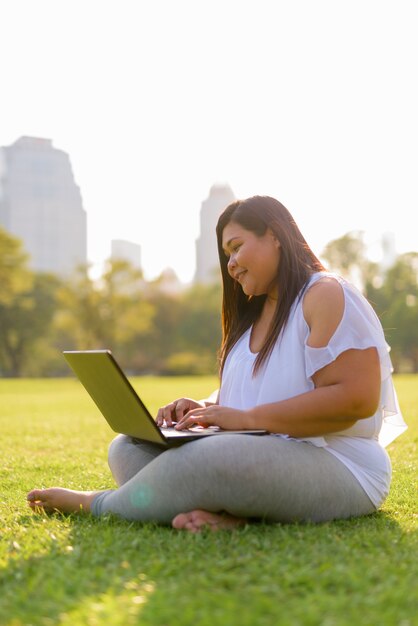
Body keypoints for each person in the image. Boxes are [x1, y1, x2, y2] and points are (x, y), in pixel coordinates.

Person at [27, 196, 407, 532]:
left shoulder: (324, 293)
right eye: (226, 255)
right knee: (128, 448)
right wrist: (205, 409)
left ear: (275, 234)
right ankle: (232, 516)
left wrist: (245, 419)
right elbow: (255, 393)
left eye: (237, 247)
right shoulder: (250, 320)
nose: (232, 264)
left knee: (208, 460)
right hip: (259, 456)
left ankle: (99, 504)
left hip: (341, 465)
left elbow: (355, 400)